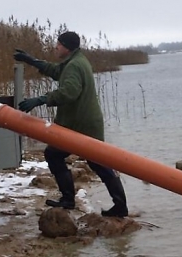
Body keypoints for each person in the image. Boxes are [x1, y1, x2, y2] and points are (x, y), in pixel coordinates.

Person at [13, 32, 129, 218]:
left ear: (66, 46)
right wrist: (31, 60)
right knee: (59, 155)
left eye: (58, 44)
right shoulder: (75, 61)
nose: (56, 47)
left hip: (83, 126)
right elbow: (55, 71)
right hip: (81, 124)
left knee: (93, 162)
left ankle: (108, 204)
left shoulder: (75, 65)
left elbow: (69, 92)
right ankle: (75, 199)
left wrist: (41, 99)